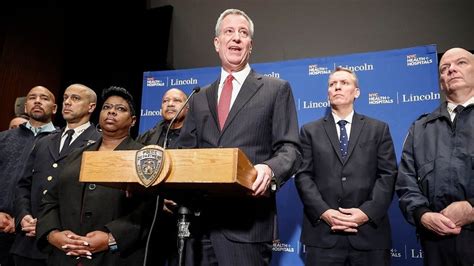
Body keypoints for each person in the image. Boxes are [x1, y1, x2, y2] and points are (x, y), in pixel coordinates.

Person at [177, 8, 301, 265]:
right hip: (198, 228)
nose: (236, 38)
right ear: (217, 42)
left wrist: (269, 169)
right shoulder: (199, 98)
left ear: (250, 45)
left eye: (243, 33)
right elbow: (184, 153)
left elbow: (290, 149)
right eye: (229, 32)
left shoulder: (275, 89)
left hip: (248, 226)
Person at [36, 86, 152, 265]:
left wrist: (111, 238)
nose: (111, 112)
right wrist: (53, 234)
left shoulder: (142, 157)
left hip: (114, 257)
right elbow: (51, 199)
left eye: (120, 109)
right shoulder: (76, 155)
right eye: (106, 107)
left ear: (133, 120)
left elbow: (150, 208)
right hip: (64, 255)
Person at [295, 67, 397, 266]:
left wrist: (366, 213)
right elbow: (303, 176)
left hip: (369, 235)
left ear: (356, 92)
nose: (337, 87)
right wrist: (324, 212)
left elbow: (388, 175)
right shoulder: (309, 131)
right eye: (332, 84)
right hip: (323, 236)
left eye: (344, 83)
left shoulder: (378, 129)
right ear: (328, 94)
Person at [396, 47, 474, 266]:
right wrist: (422, 215)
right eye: (444, 68)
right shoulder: (420, 128)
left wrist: (471, 209)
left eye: (461, 63)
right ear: (440, 81)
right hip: (435, 243)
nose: (451, 70)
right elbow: (406, 182)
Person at [11, 84, 101, 265]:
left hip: (66, 244)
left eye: (75, 98)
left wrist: (47, 227)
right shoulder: (45, 141)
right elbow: (23, 184)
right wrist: (23, 216)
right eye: (65, 98)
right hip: (28, 244)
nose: (67, 102)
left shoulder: (100, 143)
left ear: (91, 107)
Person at [0, 86, 57, 266]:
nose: (38, 101)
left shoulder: (61, 142)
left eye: (44, 98)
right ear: (25, 107)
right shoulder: (4, 138)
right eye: (32, 97)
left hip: (33, 231)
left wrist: (23, 218)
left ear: (55, 108)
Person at [136, 87, 188, 266]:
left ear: (187, 107)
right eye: (165, 101)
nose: (170, 104)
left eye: (176, 100)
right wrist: (156, 200)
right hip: (151, 216)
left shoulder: (197, 136)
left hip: (186, 216)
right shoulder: (147, 137)